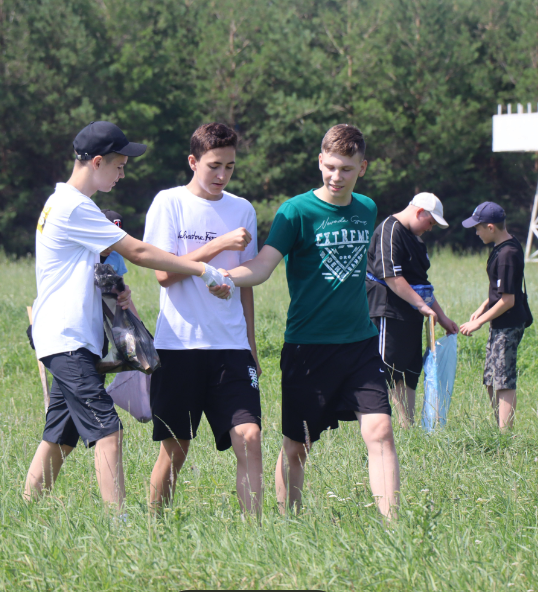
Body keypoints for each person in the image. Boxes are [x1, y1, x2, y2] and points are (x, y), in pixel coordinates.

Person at [23, 121, 233, 508]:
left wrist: (115, 290)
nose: (122, 174)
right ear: (98, 162)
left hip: (68, 337)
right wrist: (203, 269)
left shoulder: (61, 202)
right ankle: (118, 533)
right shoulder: (75, 206)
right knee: (109, 430)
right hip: (67, 339)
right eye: (119, 165)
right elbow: (138, 252)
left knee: (60, 435)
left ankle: (24, 510)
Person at [223, 124, 400, 518]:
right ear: (320, 161)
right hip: (308, 348)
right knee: (297, 445)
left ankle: (396, 528)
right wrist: (225, 278)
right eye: (331, 167)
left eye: (347, 169)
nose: (337, 177)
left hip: (359, 344)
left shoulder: (367, 209)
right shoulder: (295, 211)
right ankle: (291, 520)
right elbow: (265, 264)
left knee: (381, 431)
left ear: (362, 168)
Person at [142, 123, 263, 516]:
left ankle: (256, 536)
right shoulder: (169, 203)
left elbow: (246, 283)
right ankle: (154, 530)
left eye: (230, 166)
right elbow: (164, 273)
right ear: (193, 161)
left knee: (249, 437)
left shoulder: (242, 209)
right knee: (176, 448)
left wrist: (251, 344)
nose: (222, 175)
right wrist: (219, 245)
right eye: (214, 166)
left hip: (230, 346)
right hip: (179, 346)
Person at [366, 193, 459, 427]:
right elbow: (390, 275)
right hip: (388, 310)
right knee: (387, 369)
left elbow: (422, 285)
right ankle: (380, 427)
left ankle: (407, 427)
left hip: (412, 314)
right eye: (430, 223)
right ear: (420, 213)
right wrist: (421, 305)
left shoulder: (416, 239)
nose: (430, 228)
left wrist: (442, 316)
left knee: (409, 371)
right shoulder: (391, 229)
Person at [459, 202, 527, 430]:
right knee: (490, 379)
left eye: (477, 228)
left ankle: (505, 434)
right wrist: (482, 306)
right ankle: (499, 425)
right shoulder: (502, 246)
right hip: (499, 321)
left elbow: (509, 300)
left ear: (490, 227)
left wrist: (479, 321)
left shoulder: (507, 254)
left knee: (503, 380)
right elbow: (501, 290)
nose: (476, 233)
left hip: (508, 323)